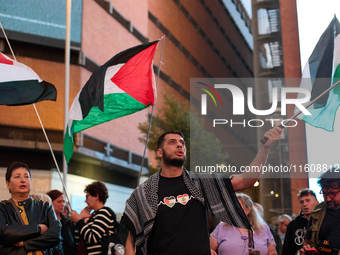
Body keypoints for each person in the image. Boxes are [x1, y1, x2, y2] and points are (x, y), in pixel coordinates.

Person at [122, 126, 282, 255]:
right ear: (160, 152)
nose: (179, 145)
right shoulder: (144, 192)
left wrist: (265, 149)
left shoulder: (201, 182)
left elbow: (247, 180)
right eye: (172, 142)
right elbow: (131, 239)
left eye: (182, 143)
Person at [0, 162, 61, 254]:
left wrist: (25, 243)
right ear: (8, 184)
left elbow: (56, 235)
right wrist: (38, 229)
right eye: (17, 177)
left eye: (26, 176)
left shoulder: (45, 206)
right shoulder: (3, 208)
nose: (23, 180)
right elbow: (3, 233)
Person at [210, 192, 277, 255]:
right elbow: (209, 248)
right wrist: (211, 251)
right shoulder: (222, 226)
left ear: (248, 210)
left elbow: (272, 252)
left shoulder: (263, 228)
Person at [70, 181, 118, 255]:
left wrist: (79, 221)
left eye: (87, 196)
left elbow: (93, 238)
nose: (85, 201)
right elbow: (78, 240)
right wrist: (81, 219)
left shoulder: (104, 212)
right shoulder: (94, 215)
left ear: (96, 196)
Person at [300, 168, 340, 255]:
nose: (328, 199)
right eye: (324, 194)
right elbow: (307, 241)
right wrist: (306, 249)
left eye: (332, 193)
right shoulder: (317, 212)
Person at [282, 188, 318, 255]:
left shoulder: (322, 222)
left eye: (308, 200)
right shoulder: (292, 225)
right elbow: (286, 250)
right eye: (302, 202)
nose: (304, 204)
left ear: (316, 202)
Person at [47, 189, 77, 255]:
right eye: (59, 201)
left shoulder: (68, 222)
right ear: (50, 202)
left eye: (63, 201)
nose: (63, 204)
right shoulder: (46, 222)